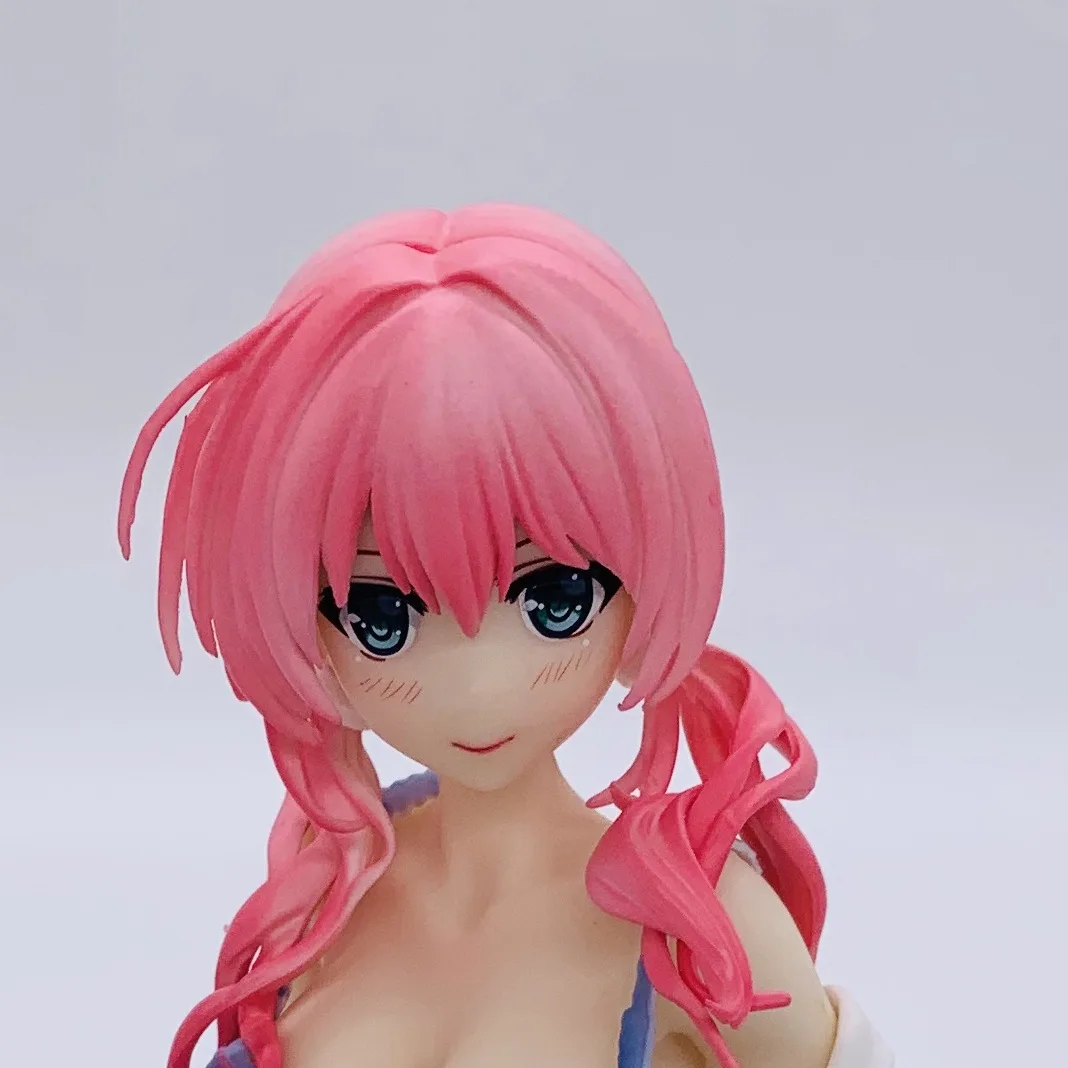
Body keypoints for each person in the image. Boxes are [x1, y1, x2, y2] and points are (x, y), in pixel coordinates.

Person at [118, 203, 894, 1068]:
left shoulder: (702, 930)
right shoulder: (326, 894)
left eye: (555, 599)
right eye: (382, 620)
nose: (477, 687)